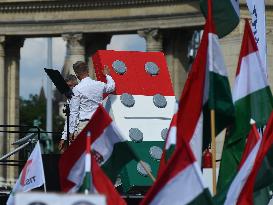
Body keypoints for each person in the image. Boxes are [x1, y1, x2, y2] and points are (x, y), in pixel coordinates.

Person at [69, 61, 115, 143]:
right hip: (98, 123)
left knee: (84, 151)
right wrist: (108, 75)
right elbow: (111, 87)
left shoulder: (77, 89)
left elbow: (74, 112)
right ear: (88, 71)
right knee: (97, 151)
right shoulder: (99, 84)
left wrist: (72, 131)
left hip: (84, 124)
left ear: (77, 74)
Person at [58, 74, 78, 153]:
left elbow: (77, 117)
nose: (68, 88)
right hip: (71, 134)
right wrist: (63, 137)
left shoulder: (80, 96)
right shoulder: (70, 99)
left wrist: (74, 132)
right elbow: (68, 119)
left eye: (70, 86)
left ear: (75, 85)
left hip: (78, 132)